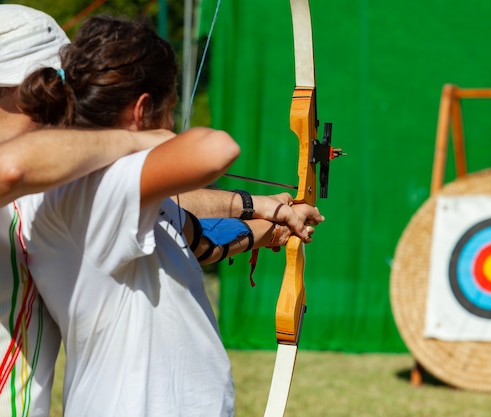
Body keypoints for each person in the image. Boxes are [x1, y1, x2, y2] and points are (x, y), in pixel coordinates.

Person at [17, 14, 322, 417]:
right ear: (143, 110)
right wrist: (146, 141)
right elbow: (216, 149)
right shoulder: (91, 191)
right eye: (171, 111)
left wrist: (269, 217)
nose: (171, 126)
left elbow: (192, 236)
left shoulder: (121, 198)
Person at [0, 5, 185, 417]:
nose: (60, 103)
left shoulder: (38, 187)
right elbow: (10, 170)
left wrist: (253, 207)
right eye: (46, 88)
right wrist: (133, 140)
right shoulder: (16, 172)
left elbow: (139, 200)